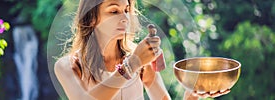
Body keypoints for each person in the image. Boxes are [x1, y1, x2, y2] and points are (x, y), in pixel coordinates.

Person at [54, 0, 229, 100]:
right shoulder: (68, 66)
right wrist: (132, 64)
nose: (124, 18)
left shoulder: (141, 62)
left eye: (127, 10)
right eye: (114, 11)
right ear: (91, 19)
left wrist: (192, 93)